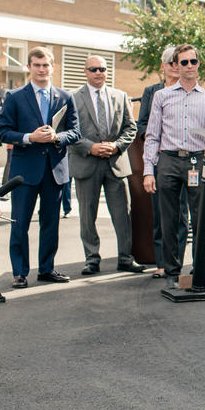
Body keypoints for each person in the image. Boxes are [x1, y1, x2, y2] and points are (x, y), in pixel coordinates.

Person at [142, 44, 205, 288]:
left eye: (193, 61)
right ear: (175, 66)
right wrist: (149, 171)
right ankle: (172, 273)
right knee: (169, 219)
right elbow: (152, 136)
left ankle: (200, 271)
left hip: (196, 161)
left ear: (198, 64)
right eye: (184, 62)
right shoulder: (161, 96)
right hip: (168, 160)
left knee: (201, 218)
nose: (189, 66)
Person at [0, 47, 80, 288]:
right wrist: (29, 137)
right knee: (20, 223)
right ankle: (20, 272)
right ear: (29, 67)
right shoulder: (15, 96)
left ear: (53, 67)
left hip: (54, 170)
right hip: (24, 172)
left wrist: (57, 138)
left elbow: (75, 132)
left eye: (46, 65)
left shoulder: (65, 97)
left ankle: (46, 269)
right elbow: (2, 131)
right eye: (37, 65)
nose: (42, 69)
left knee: (51, 223)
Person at [69, 55, 145, 275]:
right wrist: (90, 147)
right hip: (87, 163)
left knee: (123, 214)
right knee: (87, 215)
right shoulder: (73, 98)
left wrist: (117, 146)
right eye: (93, 69)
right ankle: (91, 259)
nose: (98, 72)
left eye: (102, 68)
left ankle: (125, 258)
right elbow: (69, 132)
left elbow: (131, 128)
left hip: (115, 163)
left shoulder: (120, 96)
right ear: (86, 71)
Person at [137, 45, 188, 279]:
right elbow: (142, 124)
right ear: (163, 67)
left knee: (181, 213)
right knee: (161, 212)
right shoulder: (152, 92)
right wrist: (155, 135)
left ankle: (176, 261)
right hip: (159, 159)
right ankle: (161, 261)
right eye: (171, 64)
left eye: (179, 63)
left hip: (185, 160)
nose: (176, 68)